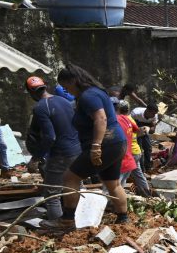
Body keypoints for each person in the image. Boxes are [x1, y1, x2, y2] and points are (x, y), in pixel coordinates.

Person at [40, 64, 128, 232]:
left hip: (105, 143)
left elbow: (100, 119)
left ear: (74, 80)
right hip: (117, 142)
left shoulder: (88, 96)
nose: (67, 90)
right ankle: (123, 219)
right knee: (113, 184)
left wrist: (96, 147)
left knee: (69, 178)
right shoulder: (97, 92)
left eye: (67, 86)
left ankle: (66, 220)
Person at [25, 76, 82, 221]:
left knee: (52, 194)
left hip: (61, 154)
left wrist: (35, 158)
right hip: (77, 150)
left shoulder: (40, 107)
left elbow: (50, 137)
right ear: (45, 87)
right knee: (73, 187)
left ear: (31, 93)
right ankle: (79, 221)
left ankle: (57, 226)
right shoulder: (64, 100)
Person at [116, 101, 152, 197]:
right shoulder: (130, 119)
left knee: (120, 176)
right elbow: (139, 131)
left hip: (129, 152)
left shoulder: (120, 120)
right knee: (138, 174)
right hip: (136, 151)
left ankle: (117, 197)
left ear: (118, 109)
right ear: (128, 110)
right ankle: (147, 194)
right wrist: (146, 128)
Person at [130, 103, 159, 172]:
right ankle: (141, 169)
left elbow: (152, 130)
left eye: (155, 113)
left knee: (148, 148)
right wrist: (137, 132)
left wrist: (151, 127)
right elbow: (129, 125)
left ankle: (148, 167)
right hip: (135, 127)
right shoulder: (135, 113)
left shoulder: (154, 116)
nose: (154, 115)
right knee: (139, 150)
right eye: (152, 113)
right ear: (147, 111)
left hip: (145, 129)